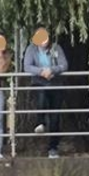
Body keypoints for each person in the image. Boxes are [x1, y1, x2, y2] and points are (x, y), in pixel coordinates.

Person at [22, 27, 69, 158]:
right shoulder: (31, 49)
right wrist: (41, 72)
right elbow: (27, 66)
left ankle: (53, 147)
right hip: (39, 82)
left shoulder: (56, 48)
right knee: (41, 96)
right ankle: (40, 122)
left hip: (56, 84)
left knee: (55, 117)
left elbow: (64, 65)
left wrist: (52, 70)